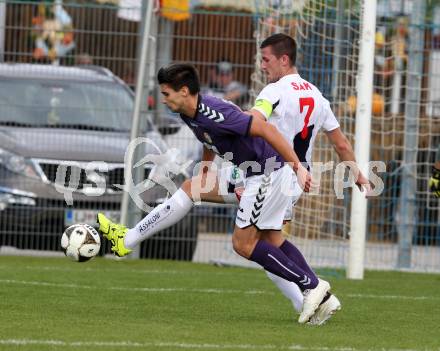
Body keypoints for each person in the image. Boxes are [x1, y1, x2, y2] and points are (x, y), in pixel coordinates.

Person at [97, 63, 331, 324]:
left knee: (244, 244)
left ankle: (311, 285)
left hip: (268, 172)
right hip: (249, 172)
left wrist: (297, 168)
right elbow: (207, 139)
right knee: (195, 190)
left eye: (166, 94)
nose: (163, 100)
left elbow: (266, 129)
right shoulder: (189, 110)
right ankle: (127, 239)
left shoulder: (214, 113)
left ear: (184, 91)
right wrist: (206, 170)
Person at [247, 33, 371, 325]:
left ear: (284, 59)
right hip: (296, 180)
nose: (263, 66)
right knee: (271, 240)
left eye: (266, 60)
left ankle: (314, 287)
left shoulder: (274, 91)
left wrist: (226, 121)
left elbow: (254, 121)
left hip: (273, 175)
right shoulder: (318, 96)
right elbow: (340, 143)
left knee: (246, 241)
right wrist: (357, 174)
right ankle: (317, 297)